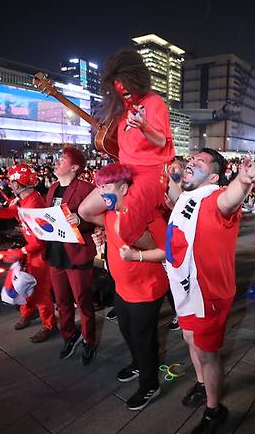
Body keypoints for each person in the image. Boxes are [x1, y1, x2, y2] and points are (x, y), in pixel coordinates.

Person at [165, 149, 255, 434]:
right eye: (191, 159)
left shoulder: (214, 198)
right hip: (185, 289)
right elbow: (177, 199)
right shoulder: (189, 195)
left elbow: (230, 198)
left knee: (207, 354)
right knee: (189, 339)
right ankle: (200, 383)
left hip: (206, 294)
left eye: (200, 162)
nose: (191, 163)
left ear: (213, 176)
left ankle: (214, 409)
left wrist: (244, 181)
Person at [87, 163, 169, 411]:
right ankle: (137, 364)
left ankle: (150, 385)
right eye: (99, 186)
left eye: (107, 186)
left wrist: (136, 256)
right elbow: (85, 211)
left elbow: (165, 252)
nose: (101, 192)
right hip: (122, 288)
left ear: (125, 188)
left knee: (144, 339)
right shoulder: (110, 214)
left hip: (148, 289)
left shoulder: (149, 215)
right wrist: (100, 237)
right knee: (126, 330)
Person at [78, 49, 174, 250]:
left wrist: (144, 126)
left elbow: (161, 142)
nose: (123, 93)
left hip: (151, 173)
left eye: (127, 89)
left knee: (126, 229)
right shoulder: (120, 110)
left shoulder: (154, 102)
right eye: (119, 90)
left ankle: (163, 255)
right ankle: (120, 226)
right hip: (124, 172)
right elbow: (116, 146)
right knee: (86, 210)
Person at [0, 164, 55, 343]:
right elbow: (8, 213)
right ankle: (28, 312)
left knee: (40, 291)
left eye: (11, 181)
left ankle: (49, 325)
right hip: (29, 250)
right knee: (23, 285)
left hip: (38, 253)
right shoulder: (22, 199)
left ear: (17, 184)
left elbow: (40, 240)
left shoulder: (34, 204)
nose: (9, 184)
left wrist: (21, 251)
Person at [43, 147, 97, 365]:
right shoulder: (53, 188)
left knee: (83, 302)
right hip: (55, 252)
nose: (57, 162)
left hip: (77, 254)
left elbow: (99, 217)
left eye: (62, 159)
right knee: (61, 301)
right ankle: (69, 335)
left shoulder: (86, 189)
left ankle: (89, 340)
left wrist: (81, 221)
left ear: (74, 167)